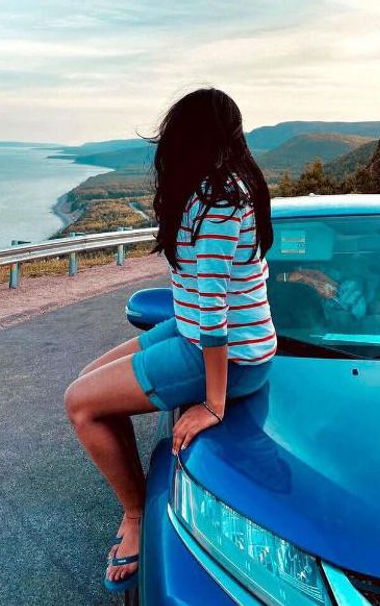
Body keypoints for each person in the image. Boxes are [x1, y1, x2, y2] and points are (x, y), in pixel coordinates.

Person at [64, 88, 276, 592]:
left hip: (224, 355)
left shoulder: (222, 203)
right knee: (87, 383)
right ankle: (135, 503)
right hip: (192, 332)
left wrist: (214, 404)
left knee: (80, 405)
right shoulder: (210, 190)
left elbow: (216, 318)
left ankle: (136, 514)